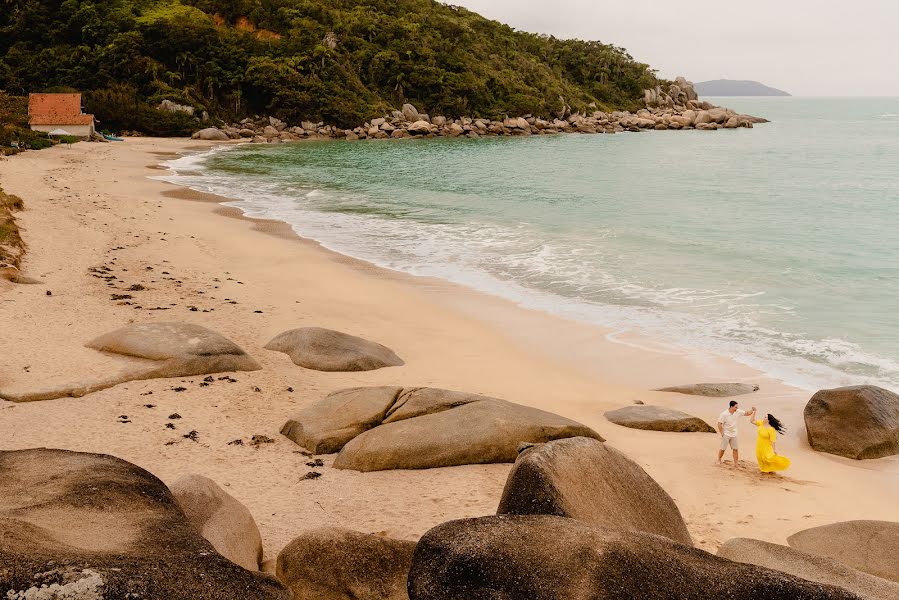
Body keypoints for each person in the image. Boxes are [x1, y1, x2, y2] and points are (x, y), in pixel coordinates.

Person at [717, 400, 756, 466]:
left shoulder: (738, 411)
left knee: (735, 449)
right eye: (735, 407)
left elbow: (747, 413)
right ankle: (719, 460)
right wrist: (722, 433)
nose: (737, 408)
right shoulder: (724, 414)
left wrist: (752, 410)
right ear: (731, 407)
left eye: (737, 407)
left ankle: (736, 463)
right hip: (726, 434)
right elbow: (719, 424)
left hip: (734, 434)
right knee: (723, 448)